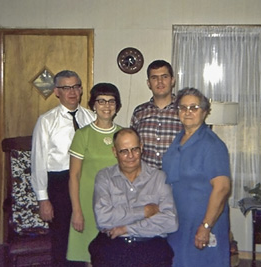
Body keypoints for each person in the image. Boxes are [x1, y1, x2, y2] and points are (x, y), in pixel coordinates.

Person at [31, 70, 96, 266]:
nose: (72, 92)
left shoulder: (91, 118)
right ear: (56, 92)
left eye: (76, 86)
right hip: (59, 185)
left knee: (87, 238)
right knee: (62, 243)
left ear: (81, 89)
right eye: (66, 88)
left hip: (85, 183)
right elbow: (38, 161)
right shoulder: (46, 121)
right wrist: (43, 199)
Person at [89, 128, 178, 267]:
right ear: (114, 152)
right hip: (113, 247)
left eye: (135, 149)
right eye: (124, 151)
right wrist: (144, 211)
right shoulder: (104, 177)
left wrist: (127, 228)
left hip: (150, 248)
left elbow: (170, 221)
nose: (130, 156)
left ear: (141, 148)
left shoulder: (159, 177)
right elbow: (103, 218)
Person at [162, 87, 231, 267]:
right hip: (179, 223)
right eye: (183, 108)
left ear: (205, 111)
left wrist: (206, 227)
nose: (188, 112)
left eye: (194, 107)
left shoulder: (212, 145)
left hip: (202, 223)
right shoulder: (178, 140)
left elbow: (222, 188)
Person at [66, 83, 122, 266]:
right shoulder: (83, 135)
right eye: (101, 101)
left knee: (114, 255)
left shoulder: (123, 134)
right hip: (88, 204)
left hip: (116, 205)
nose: (107, 106)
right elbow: (74, 176)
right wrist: (77, 211)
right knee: (91, 257)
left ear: (117, 105)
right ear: (93, 105)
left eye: (111, 101)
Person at [130, 60, 182, 169]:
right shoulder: (139, 112)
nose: (160, 82)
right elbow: (133, 147)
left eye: (164, 77)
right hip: (146, 180)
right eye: (154, 78)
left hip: (177, 179)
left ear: (172, 81)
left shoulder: (185, 111)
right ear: (148, 83)